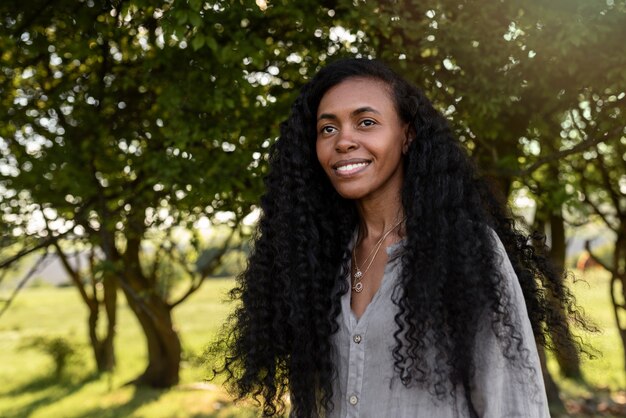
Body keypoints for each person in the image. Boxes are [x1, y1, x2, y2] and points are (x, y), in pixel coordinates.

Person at [215, 58, 584, 417]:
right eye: (328, 129)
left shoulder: (467, 251)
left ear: (407, 134)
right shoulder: (316, 259)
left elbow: (512, 405)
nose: (344, 140)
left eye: (366, 122)